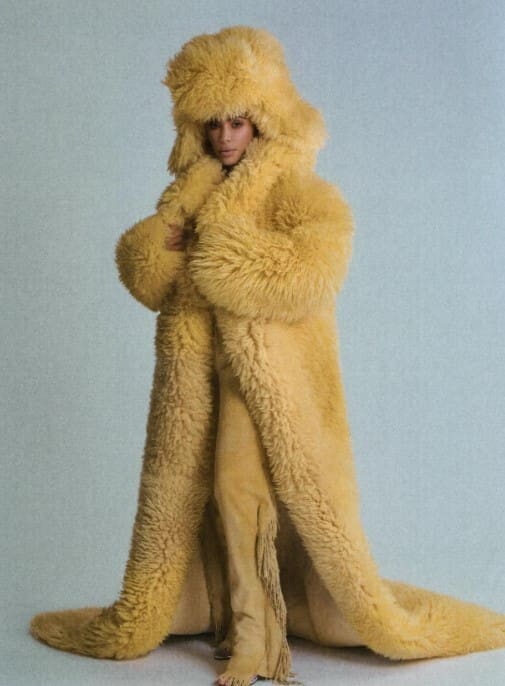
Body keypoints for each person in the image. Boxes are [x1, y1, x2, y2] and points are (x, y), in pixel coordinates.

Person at [31, 25, 505, 686]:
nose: (225, 136)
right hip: (196, 379)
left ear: (263, 119)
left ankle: (255, 642)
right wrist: (164, 241)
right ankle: (225, 616)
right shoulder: (188, 194)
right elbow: (148, 279)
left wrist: (217, 246)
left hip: (267, 382)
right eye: (212, 124)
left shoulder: (298, 193)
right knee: (195, 501)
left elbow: (312, 270)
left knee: (240, 490)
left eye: (238, 122)